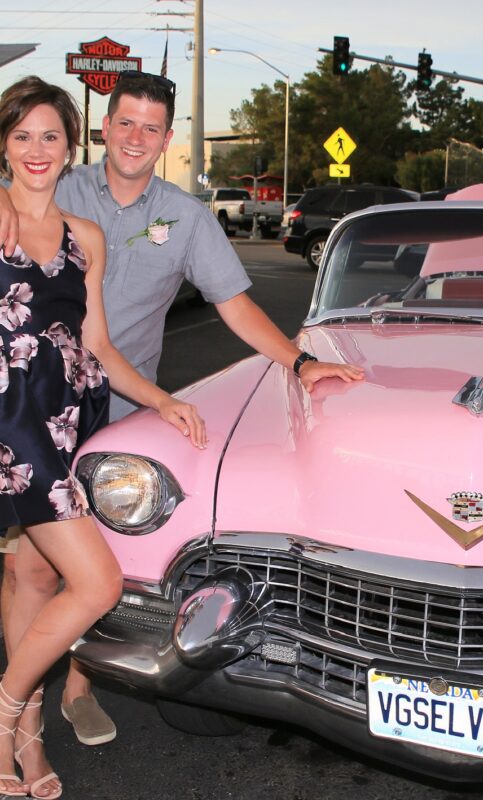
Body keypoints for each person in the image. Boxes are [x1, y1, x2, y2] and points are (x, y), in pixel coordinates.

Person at [0, 71, 364, 751]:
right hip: (31, 407)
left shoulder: (185, 216)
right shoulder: (56, 179)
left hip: (117, 406)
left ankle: (78, 685)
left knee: (100, 564)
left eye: (151, 127)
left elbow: (233, 303)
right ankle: (23, 716)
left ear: (168, 138)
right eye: (125, 122)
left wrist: (301, 362)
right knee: (32, 568)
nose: (137, 137)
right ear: (105, 127)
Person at [0, 75, 208, 798]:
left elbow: (101, 345)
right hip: (11, 424)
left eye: (49, 136)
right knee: (98, 581)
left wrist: (162, 399)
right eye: (21, 135)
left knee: (37, 571)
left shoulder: (84, 235)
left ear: (69, 146)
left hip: (69, 422)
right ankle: (5, 714)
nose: (36, 149)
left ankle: (24, 738)